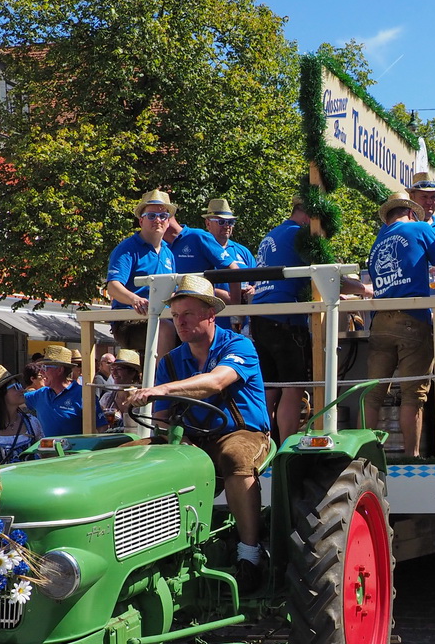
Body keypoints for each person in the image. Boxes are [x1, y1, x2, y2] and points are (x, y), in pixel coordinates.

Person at [121, 275, 274, 593]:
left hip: (242, 433)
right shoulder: (172, 362)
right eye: (175, 316)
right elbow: (162, 421)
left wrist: (157, 390)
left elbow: (215, 382)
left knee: (236, 456)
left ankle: (249, 556)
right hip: (192, 439)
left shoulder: (238, 345)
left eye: (188, 313)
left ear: (210, 314)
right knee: (130, 454)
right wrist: (175, 441)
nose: (180, 322)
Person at [365, 192, 435, 457]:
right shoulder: (421, 228)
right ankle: (412, 457)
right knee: (413, 394)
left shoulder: (378, 241)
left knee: (373, 394)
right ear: (411, 212)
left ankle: (365, 455)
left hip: (380, 320)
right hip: (412, 318)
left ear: (388, 217)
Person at [251, 200, 317, 438]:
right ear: (309, 215)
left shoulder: (273, 234)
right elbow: (323, 273)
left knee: (269, 389)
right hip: (286, 320)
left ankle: (261, 446)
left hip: (259, 318)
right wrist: (364, 289)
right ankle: (286, 447)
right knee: (292, 388)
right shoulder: (300, 235)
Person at [105, 190, 179, 355]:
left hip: (160, 317)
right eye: (151, 216)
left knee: (193, 329)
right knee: (166, 329)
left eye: (163, 216)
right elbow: (113, 287)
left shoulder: (169, 253)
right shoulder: (127, 249)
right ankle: (161, 380)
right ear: (141, 221)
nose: (158, 220)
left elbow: (172, 292)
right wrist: (135, 300)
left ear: (168, 222)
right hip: (129, 321)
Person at [173, 198, 255, 314]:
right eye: (221, 222)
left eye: (230, 222)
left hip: (241, 319)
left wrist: (252, 290)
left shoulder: (243, 251)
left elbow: (258, 283)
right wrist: (218, 294)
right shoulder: (195, 250)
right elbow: (185, 286)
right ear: (208, 223)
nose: (227, 226)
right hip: (210, 317)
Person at [25, 345, 85, 436]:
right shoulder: (40, 394)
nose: (41, 372)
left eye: (45, 368)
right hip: (45, 450)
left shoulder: (83, 395)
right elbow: (12, 400)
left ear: (60, 370)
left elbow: (100, 429)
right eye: (41, 368)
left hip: (75, 449)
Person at [98, 349, 144, 430]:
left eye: (119, 369)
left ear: (132, 372)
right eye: (112, 368)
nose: (114, 373)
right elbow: (100, 428)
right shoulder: (107, 399)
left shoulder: (142, 398)